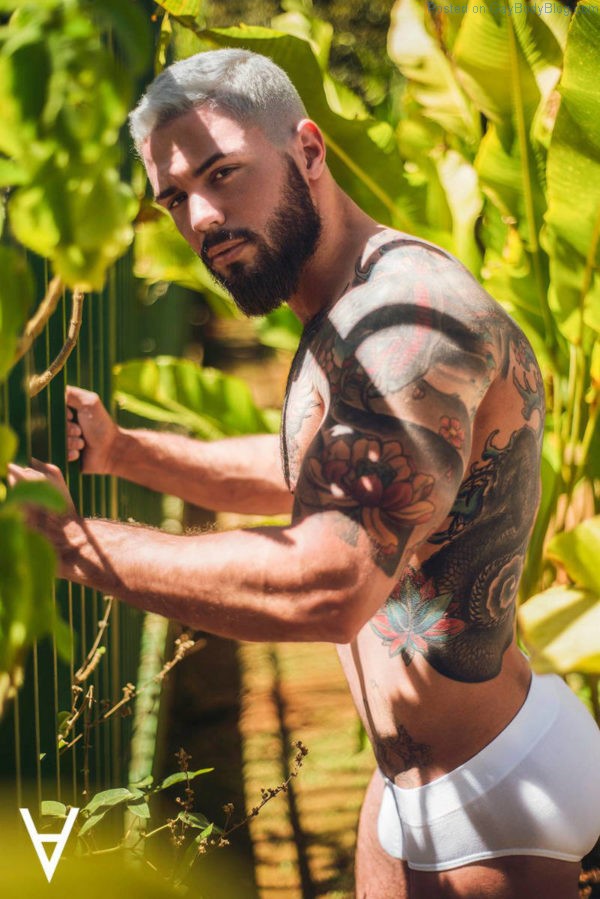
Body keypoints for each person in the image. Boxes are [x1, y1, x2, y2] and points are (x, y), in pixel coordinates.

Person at [9, 49, 600, 898]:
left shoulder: (405, 327)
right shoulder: (345, 300)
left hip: (493, 794)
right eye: (175, 198)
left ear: (311, 151)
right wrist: (126, 451)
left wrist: (71, 543)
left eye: (224, 173)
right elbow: (335, 473)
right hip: (408, 778)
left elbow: (327, 582)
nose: (203, 217)